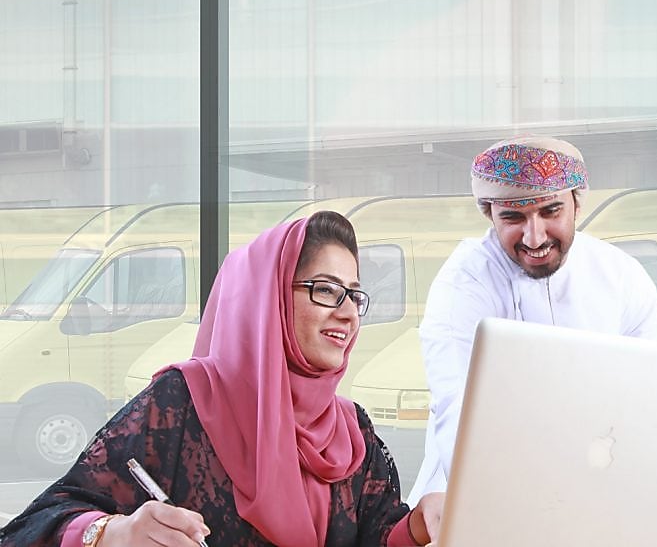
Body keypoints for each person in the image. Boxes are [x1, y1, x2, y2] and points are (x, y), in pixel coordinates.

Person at [0, 211, 440, 547]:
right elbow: (35, 525)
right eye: (325, 289)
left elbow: (379, 537)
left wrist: (420, 526)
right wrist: (115, 533)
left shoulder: (351, 429)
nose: (347, 312)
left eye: (354, 294)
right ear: (268, 297)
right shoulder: (183, 402)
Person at [408, 135, 657, 502]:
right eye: (513, 217)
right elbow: (459, 415)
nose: (534, 236)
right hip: (484, 496)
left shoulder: (620, 275)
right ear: (490, 215)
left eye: (550, 211)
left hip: (602, 488)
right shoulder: (463, 285)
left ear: (577, 204)